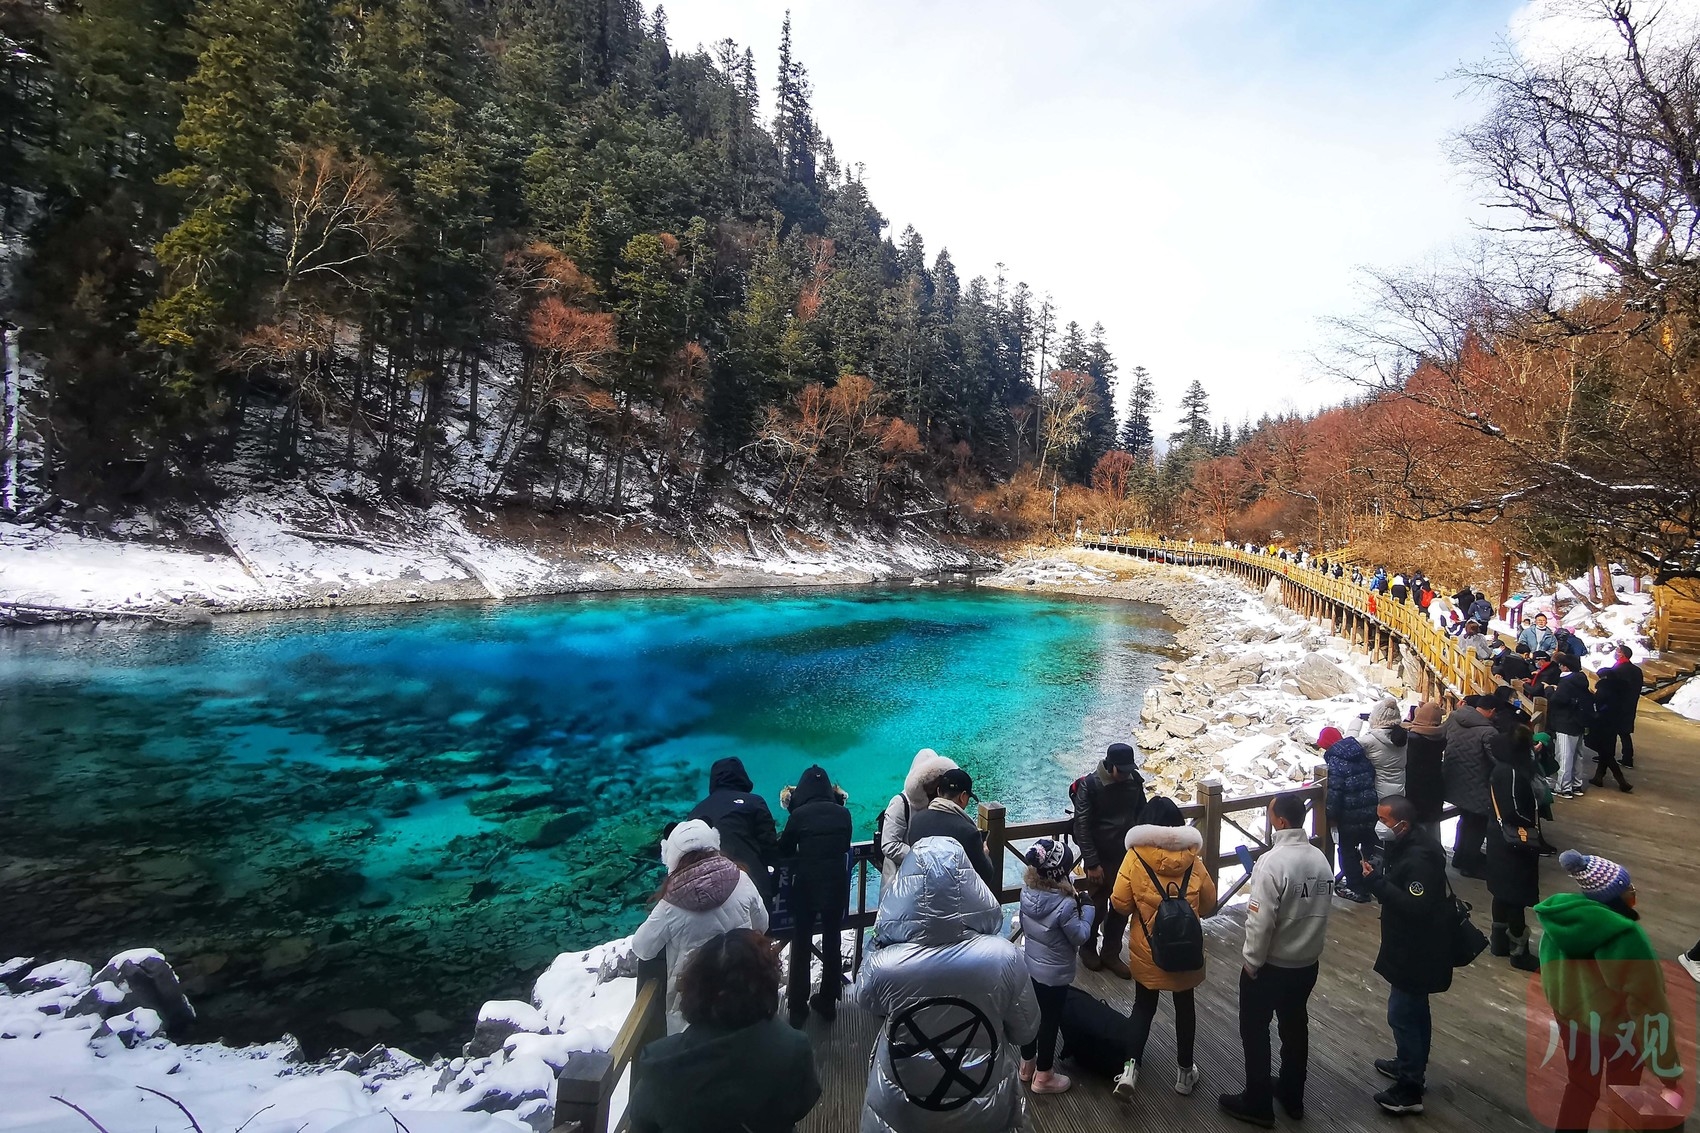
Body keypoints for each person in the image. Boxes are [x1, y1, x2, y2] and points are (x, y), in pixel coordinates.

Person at [858, 838, 1040, 1133]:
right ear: (970, 884)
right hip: (984, 1105)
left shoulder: (885, 966)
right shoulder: (1004, 958)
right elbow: (1026, 1030)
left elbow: (863, 999)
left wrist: (878, 944)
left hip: (902, 1109)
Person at [1537, 852, 1685, 1133]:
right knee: (1624, 1094)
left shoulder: (1557, 926)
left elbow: (1550, 978)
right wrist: (1667, 1071)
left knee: (1580, 1088)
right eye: (1629, 888)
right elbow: (1650, 1006)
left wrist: (1566, 1013)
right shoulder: (1626, 937)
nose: (1633, 892)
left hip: (1574, 1025)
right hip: (1619, 1032)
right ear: (1615, 896)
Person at [628, 929, 821, 1133]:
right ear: (767, 983)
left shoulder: (661, 1061)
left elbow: (641, 1119)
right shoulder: (793, 1047)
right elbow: (803, 1101)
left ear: (694, 988)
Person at [1219, 793, 1336, 1128]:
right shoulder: (1319, 858)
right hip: (1307, 962)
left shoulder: (1273, 862)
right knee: (1295, 1025)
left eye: (1271, 815)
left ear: (1281, 822)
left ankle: (1257, 1102)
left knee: (1254, 1030)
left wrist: (1251, 962)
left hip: (1272, 964)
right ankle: (1291, 1093)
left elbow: (1261, 921)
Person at [1110, 796, 1218, 1099]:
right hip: (1185, 948)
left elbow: (1119, 904)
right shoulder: (1192, 859)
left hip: (1149, 950)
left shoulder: (1135, 857)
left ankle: (1130, 1070)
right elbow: (1210, 904)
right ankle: (1185, 1074)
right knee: (1185, 1008)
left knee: (1143, 1007)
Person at [1360, 795, 1452, 1115]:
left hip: (1417, 949)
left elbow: (1417, 906)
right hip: (1407, 945)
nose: (1379, 826)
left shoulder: (1420, 857)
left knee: (1403, 1014)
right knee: (1414, 1010)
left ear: (1402, 823)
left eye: (1384, 821)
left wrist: (1375, 882)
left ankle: (1410, 1087)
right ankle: (1409, 1064)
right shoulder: (1404, 846)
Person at [633, 820, 771, 1033]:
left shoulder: (669, 904)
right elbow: (762, 924)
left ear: (669, 858)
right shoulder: (740, 878)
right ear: (714, 844)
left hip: (695, 1001)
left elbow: (642, 948)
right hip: (745, 987)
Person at [1016, 837, 1094, 1094]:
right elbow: (1080, 936)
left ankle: (1027, 1066)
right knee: (1049, 1021)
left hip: (1031, 964)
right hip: (1055, 972)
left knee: (1031, 1017)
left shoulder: (1027, 891)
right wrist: (1089, 909)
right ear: (1061, 872)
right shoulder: (1065, 904)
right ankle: (1044, 1076)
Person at [777, 765, 852, 1027]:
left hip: (807, 885)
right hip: (837, 884)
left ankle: (798, 1007)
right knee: (833, 940)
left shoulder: (798, 816)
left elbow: (784, 849)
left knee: (801, 941)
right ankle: (828, 1001)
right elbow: (844, 846)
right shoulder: (843, 814)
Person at [1070, 742, 1148, 978]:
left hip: (1127, 855)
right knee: (1097, 905)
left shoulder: (1134, 781)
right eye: (1121, 770)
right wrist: (1092, 863)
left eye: (1128, 770)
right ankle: (1088, 948)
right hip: (1100, 856)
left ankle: (1111, 953)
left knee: (1122, 906)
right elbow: (1081, 825)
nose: (1125, 775)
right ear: (1110, 765)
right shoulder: (1090, 785)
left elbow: (1141, 814)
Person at [1486, 727, 1544, 973]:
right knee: (1515, 896)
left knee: (1501, 892)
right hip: (1513, 840)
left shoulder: (1502, 767)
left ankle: (1499, 942)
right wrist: (1531, 825)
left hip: (1500, 838)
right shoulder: (1510, 771)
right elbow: (1512, 810)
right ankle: (1519, 951)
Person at [688, 757, 780, 906]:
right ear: (742, 776)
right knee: (758, 929)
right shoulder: (754, 802)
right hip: (752, 883)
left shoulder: (696, 811)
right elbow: (769, 845)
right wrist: (773, 883)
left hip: (709, 892)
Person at [906, 767, 998, 892]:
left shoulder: (917, 821)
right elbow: (985, 876)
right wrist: (985, 855)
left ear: (938, 791)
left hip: (920, 898)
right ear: (963, 797)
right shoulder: (968, 832)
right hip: (954, 904)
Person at [878, 748, 958, 886]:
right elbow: (889, 845)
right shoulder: (900, 803)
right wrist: (925, 856)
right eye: (930, 780)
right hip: (901, 880)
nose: (935, 784)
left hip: (933, 879)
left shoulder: (941, 804)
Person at [1442, 696, 1500, 879]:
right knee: (1477, 823)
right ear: (1491, 711)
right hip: (1478, 783)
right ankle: (1470, 863)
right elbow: (1497, 759)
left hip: (1454, 779)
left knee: (1465, 820)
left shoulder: (1454, 717)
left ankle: (1460, 855)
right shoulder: (1488, 732)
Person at [1320, 725, 1378, 903]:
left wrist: (1331, 816)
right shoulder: (1361, 754)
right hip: (1370, 811)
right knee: (1369, 849)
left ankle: (1356, 888)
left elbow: (1335, 792)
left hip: (1349, 816)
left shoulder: (1335, 761)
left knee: (1347, 851)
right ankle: (1373, 883)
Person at [1590, 643, 1642, 783]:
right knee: (1624, 732)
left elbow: (1613, 688)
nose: (1615, 653)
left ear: (1622, 655)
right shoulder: (1636, 670)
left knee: (1612, 734)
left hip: (1616, 706)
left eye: (1617, 651)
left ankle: (1609, 757)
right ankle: (1626, 758)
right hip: (1629, 704)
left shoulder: (1619, 670)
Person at [1545, 655, 1594, 798]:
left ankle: (1563, 787)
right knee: (1577, 755)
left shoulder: (1566, 682)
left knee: (1564, 756)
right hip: (1579, 722)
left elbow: (1557, 700)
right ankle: (1576, 785)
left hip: (1565, 722)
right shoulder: (1581, 680)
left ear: (1566, 667)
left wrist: (1549, 690)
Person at [1403, 702, 1447, 827]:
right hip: (1434, 792)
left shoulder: (1412, 740)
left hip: (1414, 794)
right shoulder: (1439, 738)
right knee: (1432, 832)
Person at [1357, 697, 1408, 802]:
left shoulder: (1370, 740)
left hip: (1378, 793)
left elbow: (1347, 745)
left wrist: (1357, 721)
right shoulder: (1404, 738)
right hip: (1400, 792)